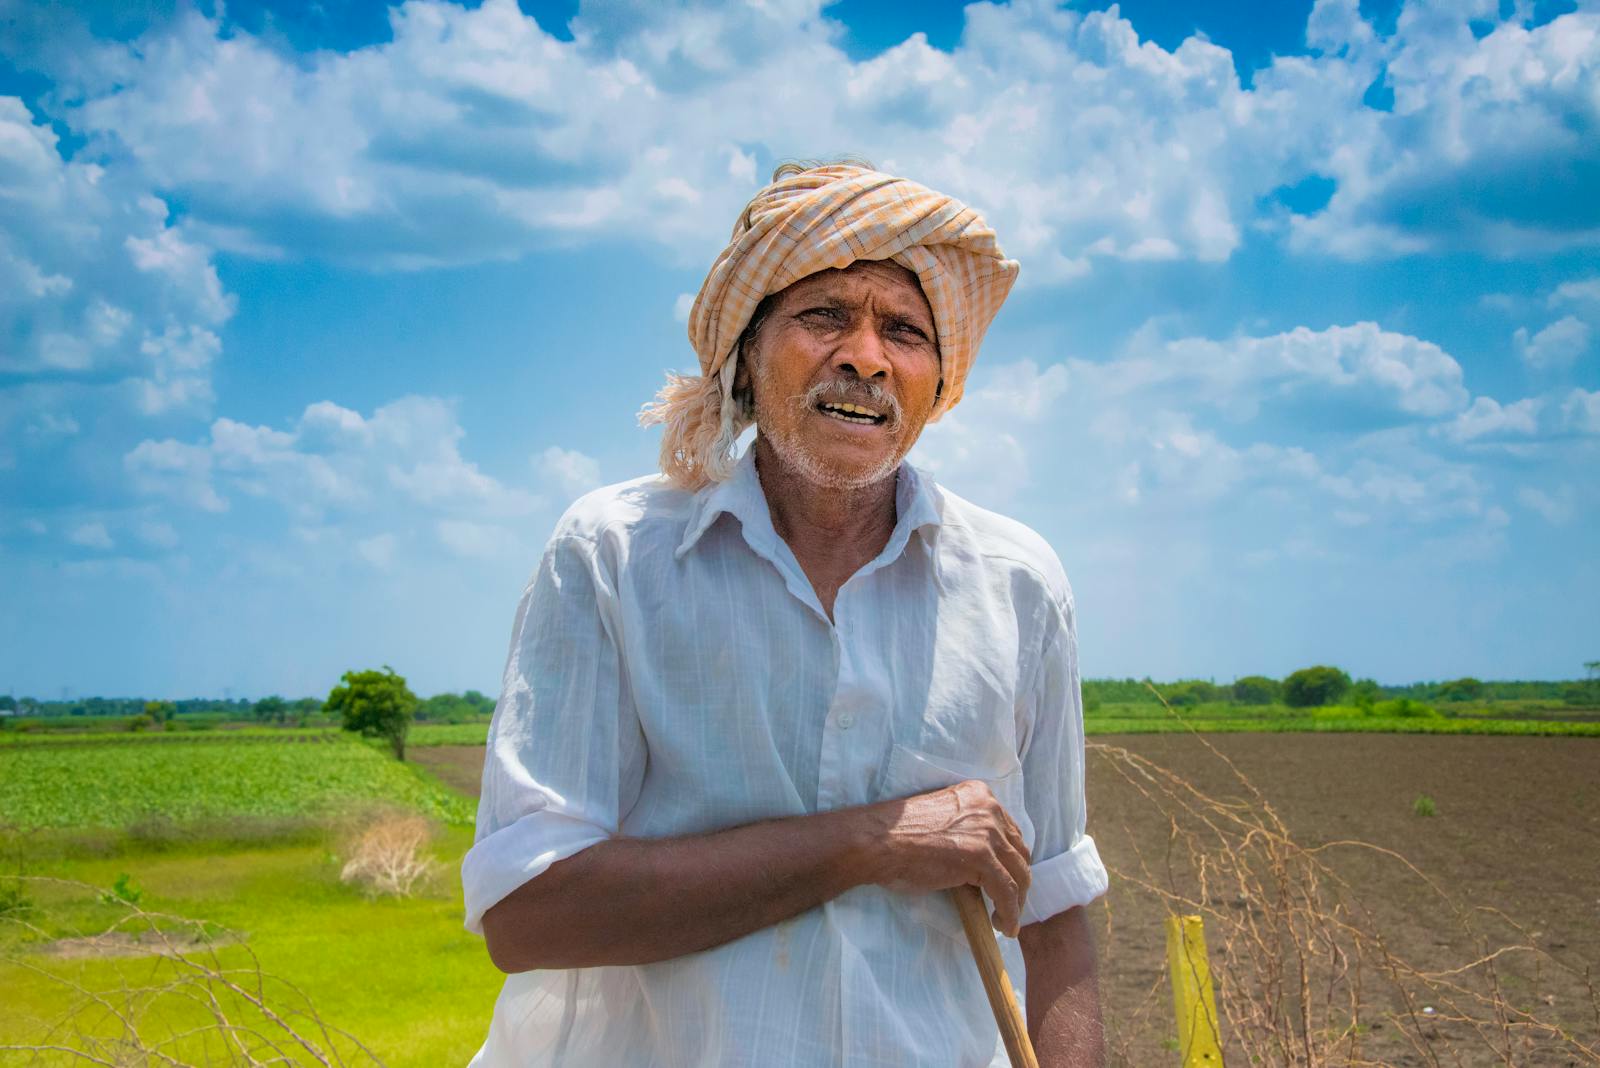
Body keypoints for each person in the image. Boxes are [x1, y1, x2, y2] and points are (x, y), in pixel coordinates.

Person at [462, 162, 1109, 1067]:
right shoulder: (617, 555)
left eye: (906, 331)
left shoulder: (1016, 583)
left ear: (939, 381)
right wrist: (873, 843)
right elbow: (531, 914)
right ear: (747, 352)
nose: (866, 357)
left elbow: (1054, 910)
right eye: (824, 316)